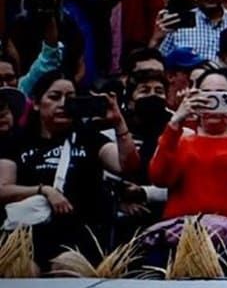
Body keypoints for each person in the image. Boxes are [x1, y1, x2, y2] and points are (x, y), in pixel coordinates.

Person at [0, 75, 139, 270]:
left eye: (70, 98)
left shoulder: (89, 138)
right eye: (55, 97)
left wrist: (118, 123)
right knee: (25, 271)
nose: (63, 104)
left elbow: (126, 165)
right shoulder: (18, 142)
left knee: (67, 267)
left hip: (79, 236)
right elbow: (3, 190)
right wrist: (44, 191)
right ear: (37, 103)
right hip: (28, 236)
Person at [145, 68, 227, 268]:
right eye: (207, 94)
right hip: (180, 235)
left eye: (222, 95)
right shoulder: (181, 140)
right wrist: (176, 122)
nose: (213, 101)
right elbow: (159, 177)